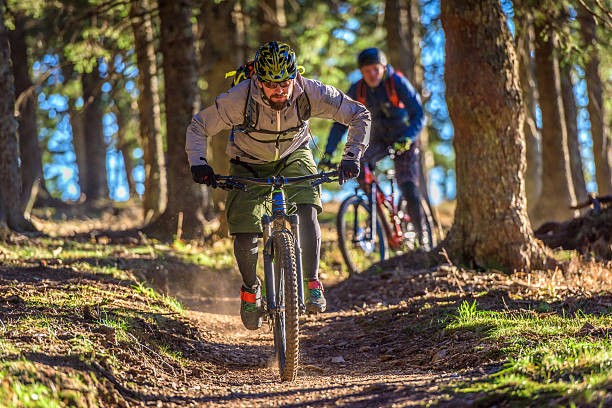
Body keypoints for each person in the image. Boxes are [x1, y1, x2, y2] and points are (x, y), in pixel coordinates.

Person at [186, 41, 370, 330]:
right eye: (271, 84)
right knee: (245, 231)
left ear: (295, 76)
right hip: (248, 161)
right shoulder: (239, 98)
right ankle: (250, 289)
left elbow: (359, 114)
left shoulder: (311, 92)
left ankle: (312, 282)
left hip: (295, 153)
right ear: (258, 80)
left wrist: (352, 156)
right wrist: (199, 163)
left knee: (308, 208)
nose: (279, 90)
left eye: (284, 82)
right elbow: (199, 126)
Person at [322, 47, 426, 243]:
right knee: (358, 167)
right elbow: (340, 123)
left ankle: (424, 239)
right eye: (367, 70)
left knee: (408, 186)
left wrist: (409, 138)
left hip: (404, 138)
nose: (372, 74)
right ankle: (383, 225)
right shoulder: (358, 89)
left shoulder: (397, 83)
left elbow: (419, 114)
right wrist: (328, 152)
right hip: (377, 140)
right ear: (361, 72)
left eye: (376, 69)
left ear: (384, 67)